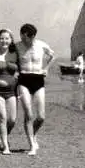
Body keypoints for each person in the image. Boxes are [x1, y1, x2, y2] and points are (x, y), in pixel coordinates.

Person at [15, 23, 55, 155]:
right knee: (29, 115)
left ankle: (33, 134)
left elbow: (53, 56)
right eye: (25, 37)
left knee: (41, 117)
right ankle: (32, 145)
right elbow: (8, 60)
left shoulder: (41, 45)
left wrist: (46, 68)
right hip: (23, 80)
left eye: (30, 38)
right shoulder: (16, 46)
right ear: (21, 35)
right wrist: (14, 71)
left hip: (38, 79)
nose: (28, 41)